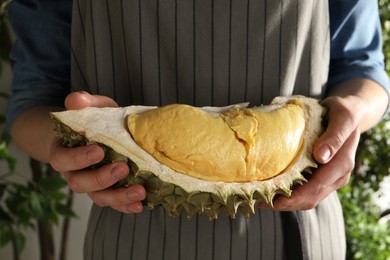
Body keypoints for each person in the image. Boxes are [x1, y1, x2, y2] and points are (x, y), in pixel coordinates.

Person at [6, 0, 390, 259]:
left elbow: (362, 68)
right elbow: (32, 100)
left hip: (298, 223)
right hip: (133, 228)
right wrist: (71, 145)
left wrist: (353, 109)